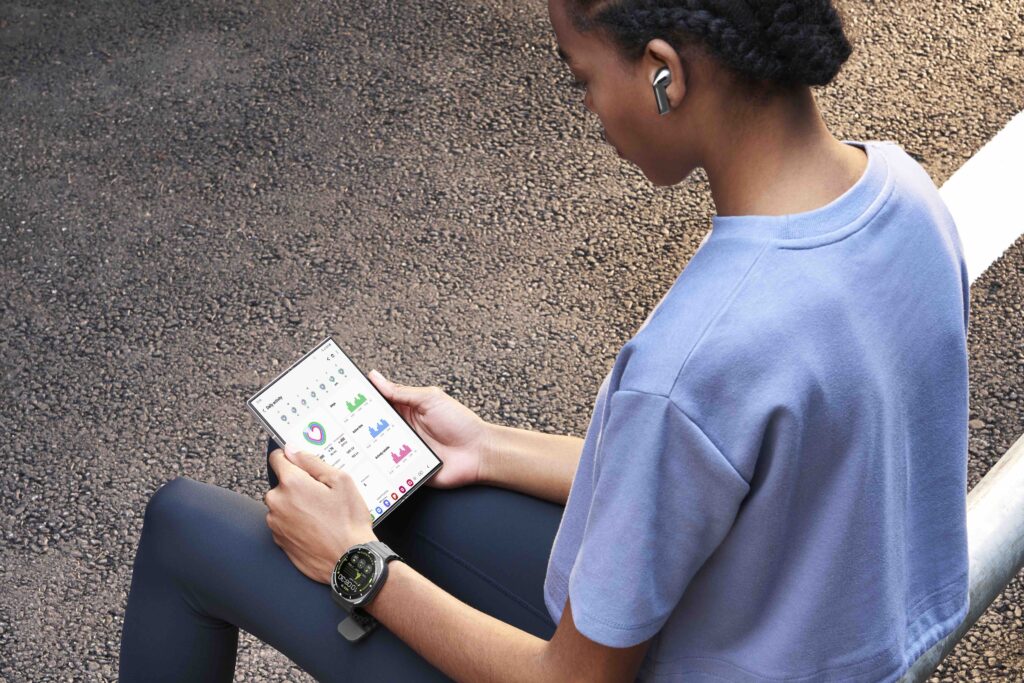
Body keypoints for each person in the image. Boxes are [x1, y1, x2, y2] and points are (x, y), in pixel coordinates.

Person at [119, 0, 972, 680]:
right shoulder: (904, 196)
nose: (589, 111)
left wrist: (356, 564)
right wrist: (487, 446)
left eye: (581, 77)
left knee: (186, 527)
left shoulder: (698, 353)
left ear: (665, 73)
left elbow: (572, 677)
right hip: (805, 642)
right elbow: (712, 474)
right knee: (376, 483)